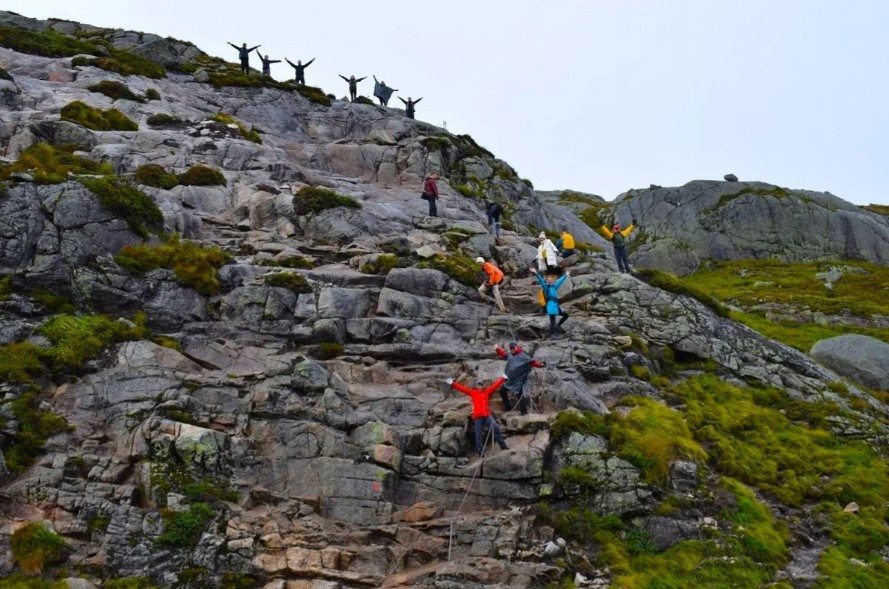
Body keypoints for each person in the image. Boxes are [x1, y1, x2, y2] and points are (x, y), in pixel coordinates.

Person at [446, 375, 509, 455]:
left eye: (481, 385)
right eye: (478, 385)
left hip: (486, 415)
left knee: (495, 427)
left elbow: (495, 385)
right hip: (477, 417)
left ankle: (503, 445)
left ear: (483, 386)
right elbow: (462, 389)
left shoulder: (487, 392)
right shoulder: (473, 392)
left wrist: (503, 378)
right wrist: (453, 384)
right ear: (477, 386)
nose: (479, 386)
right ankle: (480, 451)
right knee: (478, 434)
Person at [495, 341, 544, 415]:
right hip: (510, 379)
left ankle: (524, 412)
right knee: (502, 391)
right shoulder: (510, 355)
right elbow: (503, 354)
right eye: (510, 348)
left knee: (520, 394)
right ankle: (508, 408)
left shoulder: (523, 356)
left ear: (516, 347)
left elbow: (532, 362)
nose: (512, 349)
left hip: (518, 380)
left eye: (513, 347)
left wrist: (540, 365)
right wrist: (497, 349)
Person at [530, 267, 571, 336]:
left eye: (551, 281)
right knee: (552, 321)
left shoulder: (554, 287)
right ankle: (552, 334)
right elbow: (541, 281)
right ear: (547, 282)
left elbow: (560, 281)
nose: (550, 282)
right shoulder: (546, 288)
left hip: (556, 305)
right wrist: (535, 272)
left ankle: (558, 325)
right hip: (550, 306)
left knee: (566, 315)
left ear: (552, 281)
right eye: (549, 282)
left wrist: (566, 275)